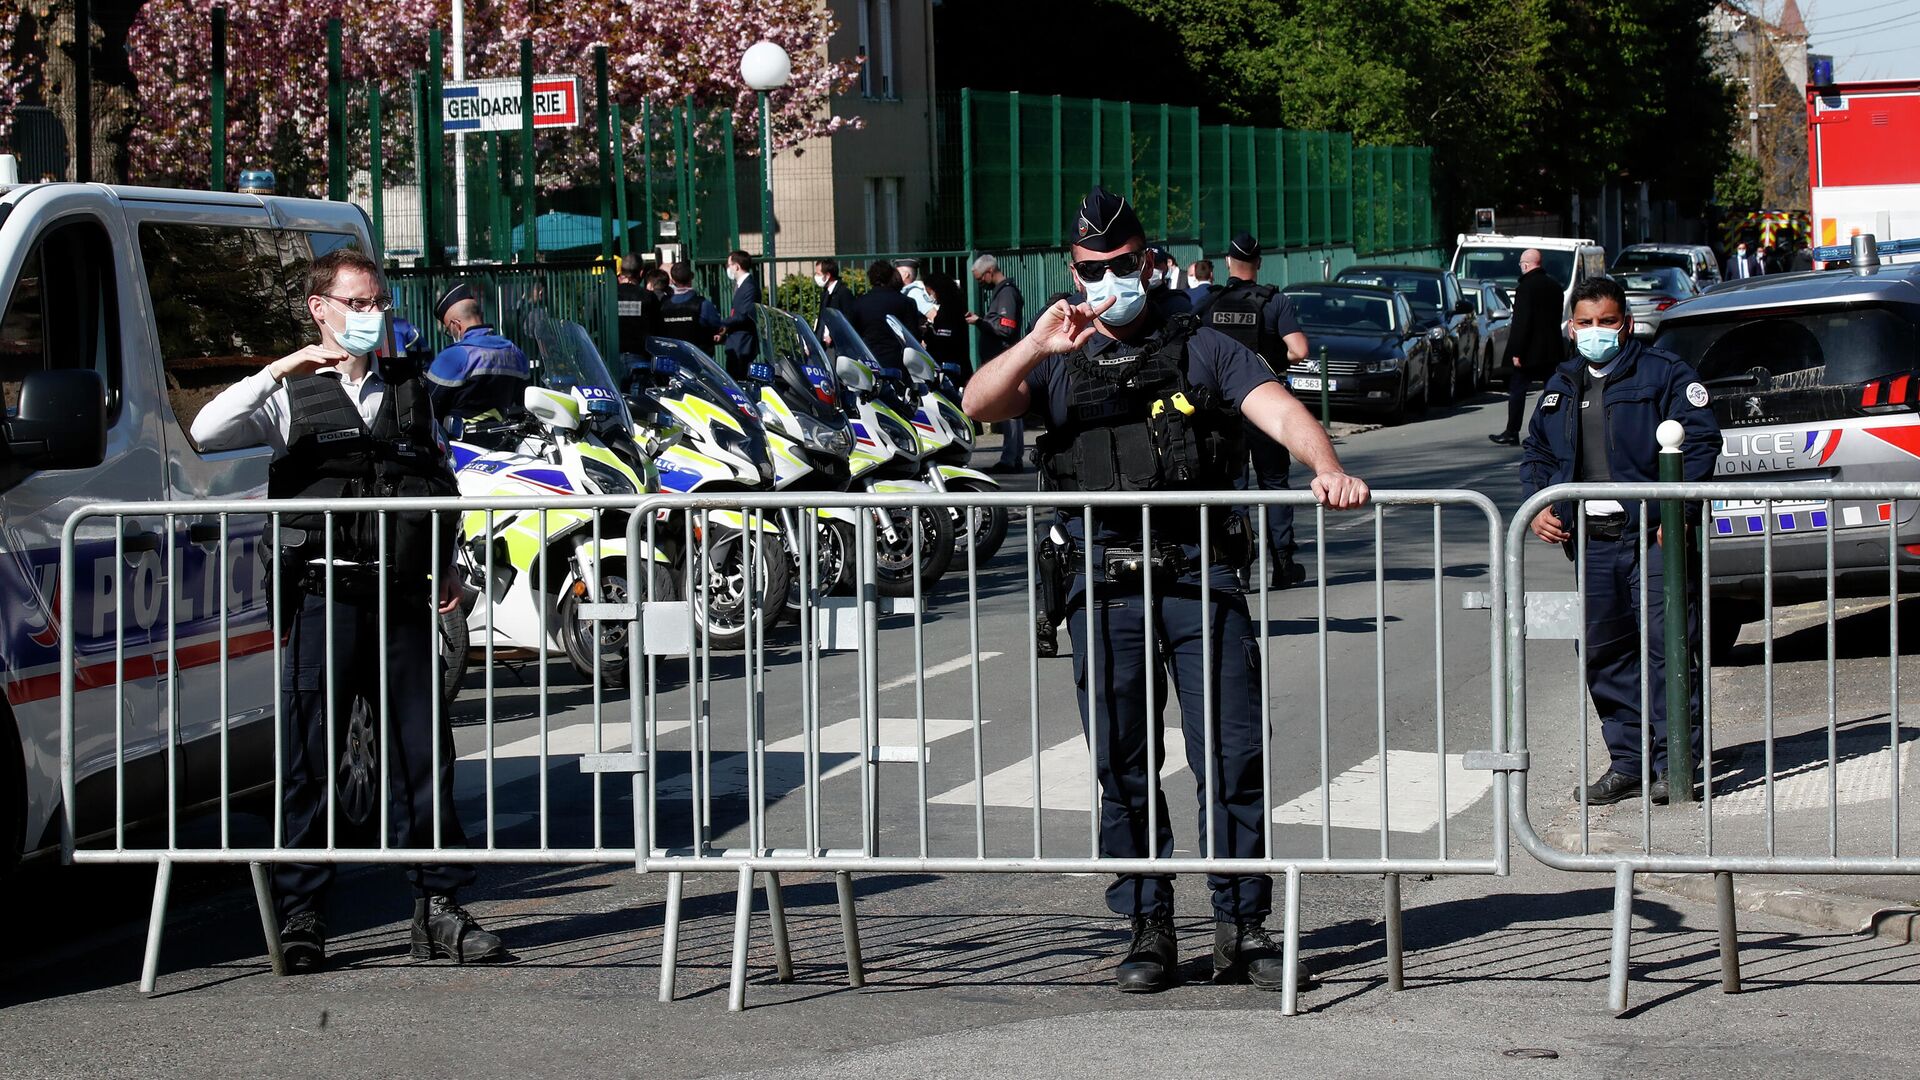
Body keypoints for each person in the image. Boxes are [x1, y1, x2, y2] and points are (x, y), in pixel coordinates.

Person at [961, 187, 1370, 994]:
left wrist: (1328, 468)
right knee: (1122, 763)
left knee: (1231, 753)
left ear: (1147, 261)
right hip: (1102, 584)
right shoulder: (1060, 356)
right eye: (1090, 270)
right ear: (1073, 273)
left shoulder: (1202, 345)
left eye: (1120, 265)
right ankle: (1148, 926)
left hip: (1196, 574)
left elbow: (1277, 408)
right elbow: (977, 405)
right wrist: (1038, 344)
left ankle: (1242, 926)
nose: (1107, 280)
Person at [188, 248, 505, 973]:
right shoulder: (287, 394)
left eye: (379, 304)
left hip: (398, 595)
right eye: (357, 304)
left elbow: (438, 476)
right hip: (322, 594)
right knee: (309, 761)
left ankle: (439, 909)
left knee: (423, 756)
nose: (372, 317)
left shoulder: (408, 388)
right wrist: (279, 369)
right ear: (319, 308)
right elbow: (206, 431)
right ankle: (302, 913)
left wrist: (450, 558)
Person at [1519, 276, 1719, 805]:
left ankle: (1675, 764)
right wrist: (1539, 505)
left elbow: (1699, 441)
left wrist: (1670, 510)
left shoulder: (1664, 374)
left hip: (1653, 538)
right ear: (1571, 327)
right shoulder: (1561, 385)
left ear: (1626, 324)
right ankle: (1629, 761)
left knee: (1666, 649)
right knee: (1605, 656)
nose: (1595, 332)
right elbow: (1537, 455)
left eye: (1606, 321)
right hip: (1591, 541)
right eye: (1585, 323)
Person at [1195, 232, 1310, 588]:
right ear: (1258, 263)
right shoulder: (1274, 302)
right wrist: (1270, 362)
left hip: (1224, 409)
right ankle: (1283, 563)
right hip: (1265, 403)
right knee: (1274, 484)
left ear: (1227, 262)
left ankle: (1239, 565)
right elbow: (1300, 350)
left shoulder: (1209, 303)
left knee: (1234, 487)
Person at [424, 282, 531, 427]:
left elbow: (429, 408)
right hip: (505, 441)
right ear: (479, 315)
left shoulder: (454, 357)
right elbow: (525, 403)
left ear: (456, 325)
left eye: (449, 331)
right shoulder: (515, 352)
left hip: (459, 445)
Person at [1489, 248, 1565, 446]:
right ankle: (1553, 431)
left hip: (1529, 351)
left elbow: (1522, 322)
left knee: (1517, 391)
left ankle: (1512, 431)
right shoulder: (1555, 286)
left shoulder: (1525, 287)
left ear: (1526, 264)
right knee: (1552, 392)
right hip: (1551, 350)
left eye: (1521, 264)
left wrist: (1516, 351)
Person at [967, 253, 1025, 473]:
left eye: (980, 278)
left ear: (989, 272)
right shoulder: (1003, 293)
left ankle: (1011, 458)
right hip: (1002, 357)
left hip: (1004, 357)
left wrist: (979, 322)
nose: (980, 283)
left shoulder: (1007, 294)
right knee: (1008, 409)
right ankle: (1011, 456)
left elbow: (1006, 329)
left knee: (1009, 409)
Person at [851, 259, 923, 376]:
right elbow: (913, 335)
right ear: (891, 276)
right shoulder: (906, 302)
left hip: (869, 359)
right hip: (899, 361)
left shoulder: (859, 303)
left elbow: (853, 334)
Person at [918, 267, 972, 381]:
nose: (930, 295)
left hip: (950, 367)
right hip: (957, 363)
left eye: (930, 292)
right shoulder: (954, 304)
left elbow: (944, 338)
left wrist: (928, 334)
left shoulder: (948, 309)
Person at [657, 262, 722, 349]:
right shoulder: (703, 304)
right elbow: (718, 326)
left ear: (672, 281)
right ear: (692, 277)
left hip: (673, 357)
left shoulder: (663, 305)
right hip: (698, 357)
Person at [719, 249, 762, 379]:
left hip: (743, 342)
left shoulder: (749, 287)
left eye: (729, 265)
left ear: (736, 266)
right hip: (736, 340)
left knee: (739, 377)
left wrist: (722, 322)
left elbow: (743, 315)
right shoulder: (741, 285)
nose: (728, 268)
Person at [616, 262, 661, 367]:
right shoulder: (649, 296)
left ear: (621, 273)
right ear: (641, 273)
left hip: (611, 356)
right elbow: (657, 327)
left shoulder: (607, 295)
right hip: (640, 355)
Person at [1145, 245, 1192, 317]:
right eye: (1147, 264)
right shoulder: (1129, 302)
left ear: (1166, 268)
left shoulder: (1178, 303)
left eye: (1156, 264)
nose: (1151, 269)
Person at [815, 257, 857, 335]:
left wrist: (832, 335)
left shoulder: (843, 293)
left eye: (818, 274)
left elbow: (848, 320)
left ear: (827, 275)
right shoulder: (825, 293)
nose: (816, 277)